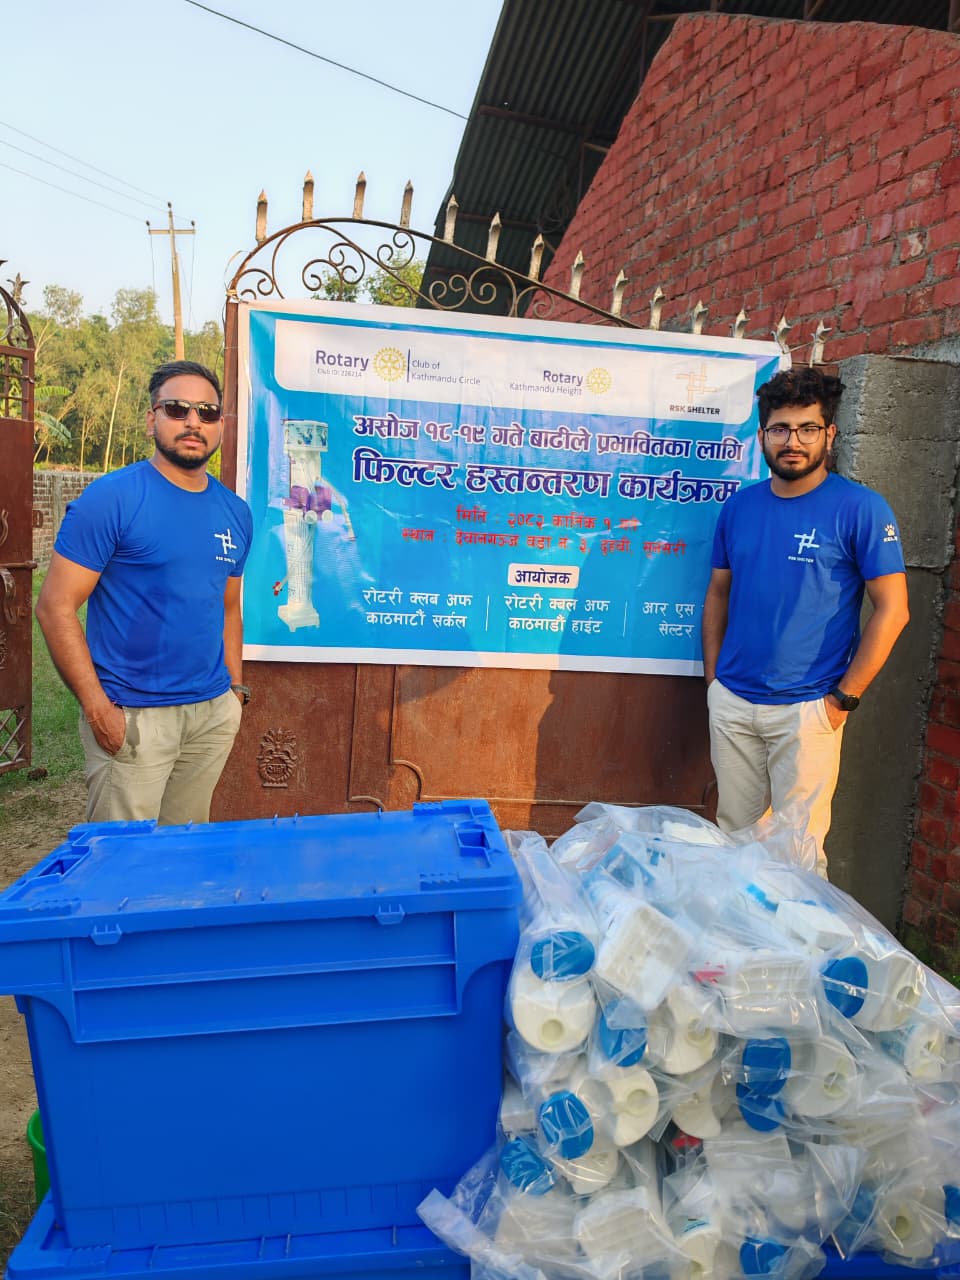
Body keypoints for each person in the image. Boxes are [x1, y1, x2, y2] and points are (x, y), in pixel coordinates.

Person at [701, 366, 909, 873]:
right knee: (735, 844)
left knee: (798, 858)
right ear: (762, 435)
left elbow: (894, 610)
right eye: (780, 429)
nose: (793, 441)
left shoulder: (860, 508)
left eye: (808, 428)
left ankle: (799, 954)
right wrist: (714, 683)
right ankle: (743, 950)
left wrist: (843, 699)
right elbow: (717, 594)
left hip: (807, 710)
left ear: (829, 434)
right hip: (733, 704)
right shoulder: (739, 508)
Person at [36, 359, 253, 825]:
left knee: (182, 856)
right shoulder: (111, 499)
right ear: (152, 418)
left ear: (219, 425)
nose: (193, 421)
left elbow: (228, 607)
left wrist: (233, 692)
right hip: (133, 717)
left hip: (210, 714)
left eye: (207, 412)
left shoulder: (235, 512)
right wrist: (97, 708)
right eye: (177, 408)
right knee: (119, 865)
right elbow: (55, 606)